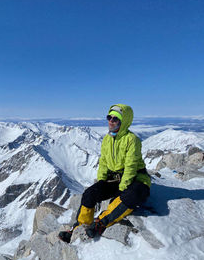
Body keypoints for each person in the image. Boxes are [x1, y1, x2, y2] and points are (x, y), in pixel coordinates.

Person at [59, 104, 151, 243]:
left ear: (123, 121)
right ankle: (78, 227)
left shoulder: (132, 140)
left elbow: (131, 165)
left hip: (136, 179)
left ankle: (100, 223)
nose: (111, 121)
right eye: (109, 117)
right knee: (90, 193)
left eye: (115, 119)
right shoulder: (107, 139)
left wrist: (122, 188)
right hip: (115, 179)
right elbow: (103, 161)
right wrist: (101, 181)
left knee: (131, 195)